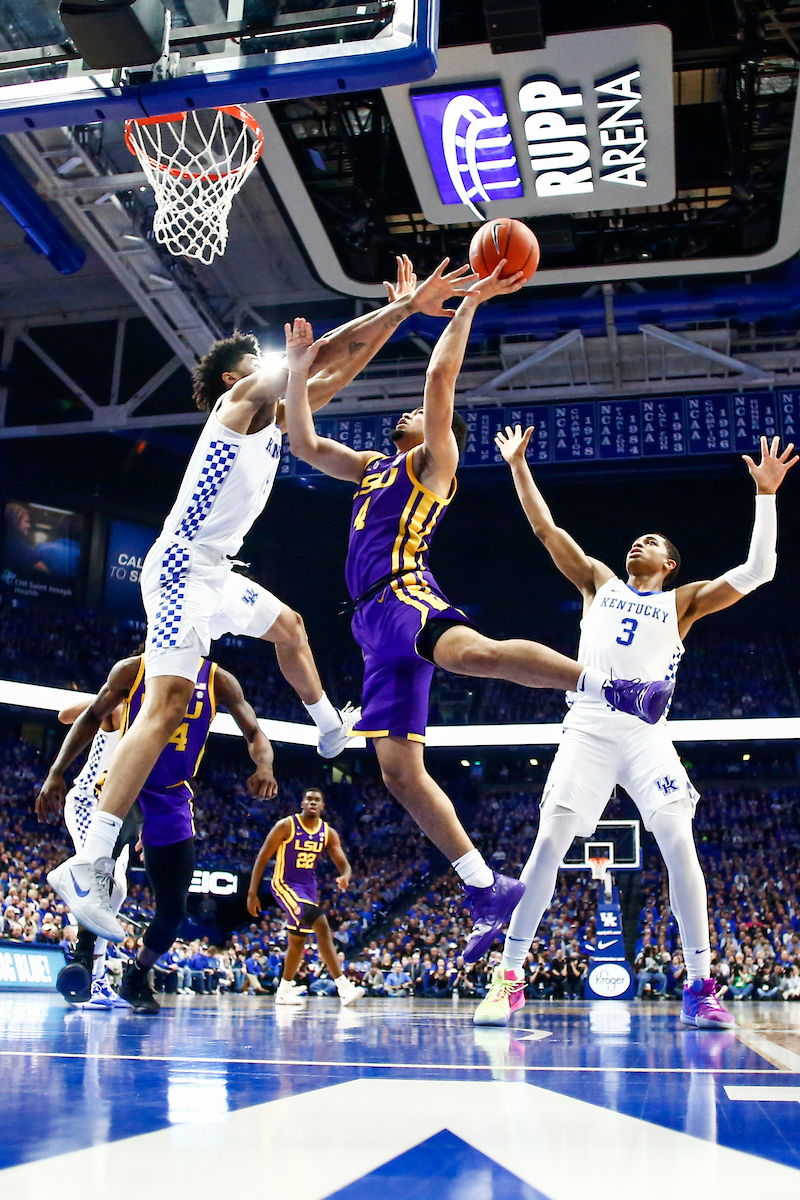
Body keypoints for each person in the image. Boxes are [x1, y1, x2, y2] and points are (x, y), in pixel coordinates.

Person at [46, 256, 472, 942]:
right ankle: (90, 861)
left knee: (292, 628)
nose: (279, 363)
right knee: (167, 705)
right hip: (183, 565)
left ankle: (331, 727)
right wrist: (399, 310)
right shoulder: (236, 405)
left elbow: (330, 370)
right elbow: (324, 351)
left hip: (213, 570)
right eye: (265, 358)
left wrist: (396, 317)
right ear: (234, 376)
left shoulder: (274, 419)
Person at [282, 266, 674, 964]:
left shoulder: (435, 462)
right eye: (401, 414)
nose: (401, 413)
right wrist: (298, 372)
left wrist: (465, 305)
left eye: (411, 413)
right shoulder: (371, 465)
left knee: (475, 654)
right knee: (398, 772)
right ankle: (485, 885)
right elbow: (305, 444)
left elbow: (439, 383)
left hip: (404, 593)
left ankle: (610, 687)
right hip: (371, 628)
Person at [474, 429, 797, 1029]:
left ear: (669, 564)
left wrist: (767, 495)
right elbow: (547, 531)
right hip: (590, 728)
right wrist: (519, 466)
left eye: (650, 542)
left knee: (680, 846)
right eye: (635, 538)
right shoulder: (597, 581)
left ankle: (700, 983)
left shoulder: (685, 600)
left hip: (648, 736)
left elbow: (760, 570)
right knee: (548, 847)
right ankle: (508, 977)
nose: (637, 543)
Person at [38, 651, 277, 1013]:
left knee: (174, 911)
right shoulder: (135, 669)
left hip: (173, 796)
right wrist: (57, 771)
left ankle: (136, 976)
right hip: (126, 783)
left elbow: (255, 732)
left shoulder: (218, 679)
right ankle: (84, 956)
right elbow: (86, 717)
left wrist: (265, 766)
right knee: (105, 872)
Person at [35, 693, 134, 1009]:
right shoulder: (118, 708)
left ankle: (98, 976)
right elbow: (65, 715)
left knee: (117, 892)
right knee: (105, 887)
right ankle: (93, 975)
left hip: (121, 812)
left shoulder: (155, 721)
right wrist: (113, 692)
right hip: (88, 804)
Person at [246, 787, 364, 1007]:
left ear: (322, 806)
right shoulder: (286, 825)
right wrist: (252, 893)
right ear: (302, 803)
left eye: (316, 799)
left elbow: (343, 863)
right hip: (284, 884)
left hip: (309, 889)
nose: (312, 802)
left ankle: (283, 991)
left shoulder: (328, 832)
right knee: (321, 923)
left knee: (298, 941)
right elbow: (262, 857)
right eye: (308, 799)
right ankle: (343, 986)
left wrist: (346, 876)